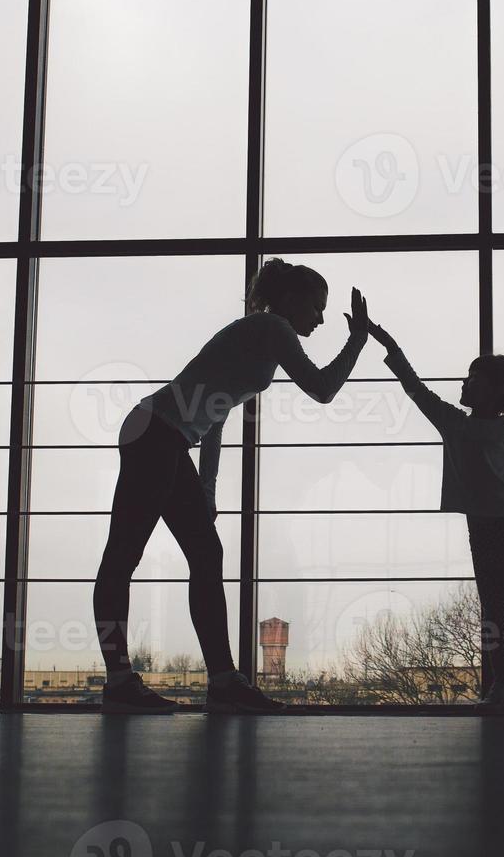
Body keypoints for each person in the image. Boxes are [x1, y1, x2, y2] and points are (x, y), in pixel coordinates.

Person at [94, 258, 370, 713]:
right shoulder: (272, 328)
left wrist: (206, 490)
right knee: (124, 555)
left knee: (201, 554)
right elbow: (322, 388)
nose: (321, 318)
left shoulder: (258, 334)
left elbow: (215, 415)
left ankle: (219, 681)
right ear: (291, 299)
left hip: (164, 435)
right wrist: (357, 340)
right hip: (155, 433)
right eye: (317, 307)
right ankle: (125, 681)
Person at [365, 319, 504, 715]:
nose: (464, 384)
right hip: (499, 526)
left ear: (493, 390)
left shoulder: (483, 429)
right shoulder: (468, 425)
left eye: (472, 378)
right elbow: (414, 387)